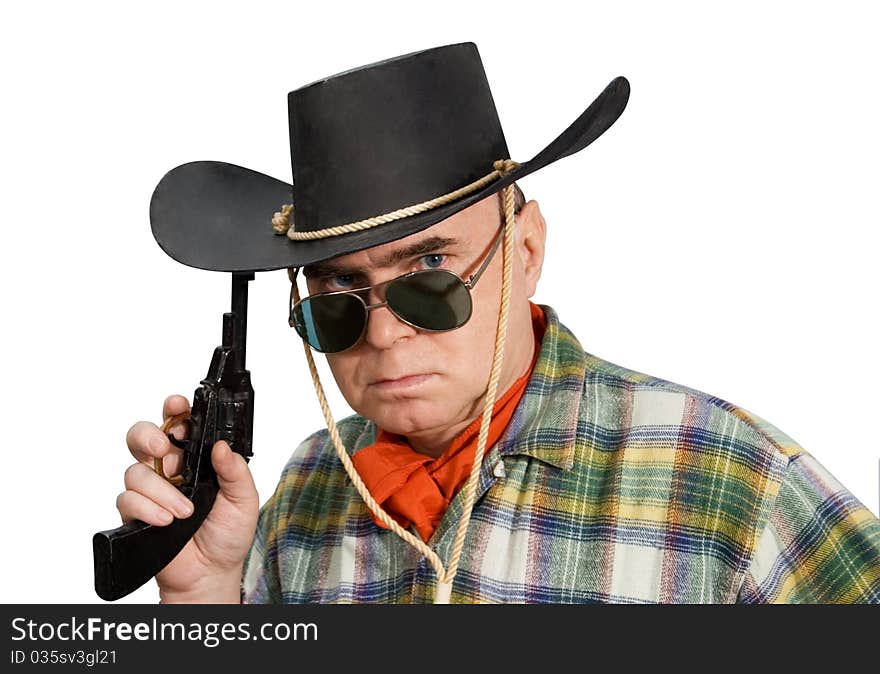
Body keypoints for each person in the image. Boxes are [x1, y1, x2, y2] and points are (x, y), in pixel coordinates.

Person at [117, 43, 880, 603]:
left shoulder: (731, 482)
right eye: (340, 294)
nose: (383, 336)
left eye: (430, 276)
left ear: (526, 250)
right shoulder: (307, 490)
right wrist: (208, 594)